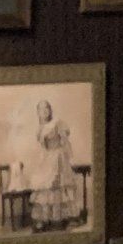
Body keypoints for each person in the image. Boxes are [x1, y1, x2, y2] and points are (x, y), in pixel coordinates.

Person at [27, 98, 83, 229]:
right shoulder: (40, 129)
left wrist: (69, 158)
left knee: (58, 188)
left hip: (58, 158)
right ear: (38, 113)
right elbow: (42, 148)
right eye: (41, 109)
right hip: (46, 159)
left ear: (50, 110)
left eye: (47, 108)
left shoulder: (57, 123)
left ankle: (59, 219)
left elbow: (65, 142)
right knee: (45, 189)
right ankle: (46, 219)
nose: (44, 111)